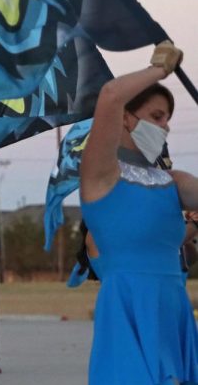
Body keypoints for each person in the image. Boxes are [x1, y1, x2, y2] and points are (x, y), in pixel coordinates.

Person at [80, 40, 198, 384]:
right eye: (157, 117)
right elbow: (110, 95)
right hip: (128, 305)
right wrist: (159, 70)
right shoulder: (100, 175)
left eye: (168, 119)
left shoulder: (172, 181)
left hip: (173, 304)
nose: (165, 127)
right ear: (127, 119)